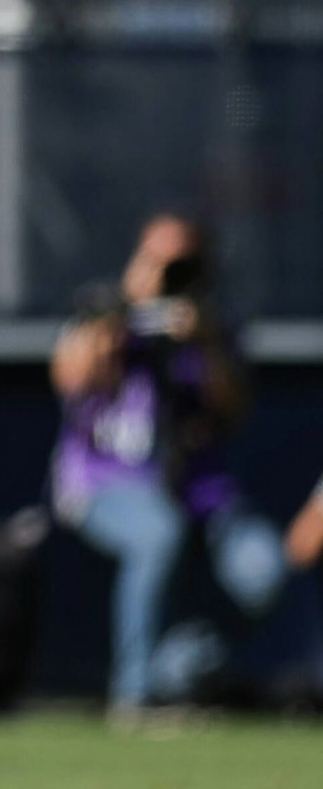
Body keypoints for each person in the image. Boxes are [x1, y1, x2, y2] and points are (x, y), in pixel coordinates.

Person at [49, 212, 284, 715]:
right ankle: (133, 696)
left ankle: (170, 669)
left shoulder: (209, 327)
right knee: (157, 532)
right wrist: (125, 308)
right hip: (107, 483)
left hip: (199, 495)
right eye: (158, 258)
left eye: (181, 262)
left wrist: (203, 338)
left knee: (263, 571)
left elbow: (233, 407)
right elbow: (69, 376)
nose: (169, 272)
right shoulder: (108, 312)